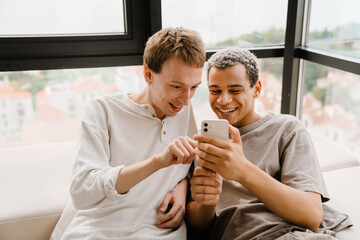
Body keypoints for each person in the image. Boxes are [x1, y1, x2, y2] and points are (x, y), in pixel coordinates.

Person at [50, 27, 206, 240]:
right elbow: (81, 192)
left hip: (161, 234)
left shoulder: (184, 109)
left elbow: (193, 167)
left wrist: (183, 184)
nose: (186, 99)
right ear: (148, 74)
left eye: (194, 87)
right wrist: (157, 162)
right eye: (177, 86)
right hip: (98, 233)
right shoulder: (103, 110)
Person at [186, 47, 352, 240]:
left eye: (235, 90)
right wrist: (207, 203)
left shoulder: (286, 129)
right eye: (215, 90)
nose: (223, 100)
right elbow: (198, 227)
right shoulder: (202, 144)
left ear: (256, 89)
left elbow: (311, 215)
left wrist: (242, 171)